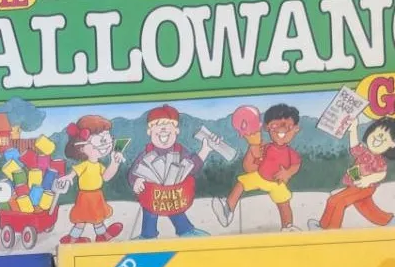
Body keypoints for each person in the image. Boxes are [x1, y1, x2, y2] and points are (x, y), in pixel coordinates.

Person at [214, 104, 302, 231]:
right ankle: (228, 210)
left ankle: (288, 226)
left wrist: (287, 173)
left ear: (296, 129)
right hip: (259, 176)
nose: (281, 130)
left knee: (284, 203)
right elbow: (248, 167)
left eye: (288, 126)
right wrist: (252, 150)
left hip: (276, 182)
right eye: (275, 125)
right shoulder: (265, 147)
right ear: (267, 127)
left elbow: (296, 165)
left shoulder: (290, 153)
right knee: (241, 183)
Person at [127, 105, 211, 238]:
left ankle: (186, 230)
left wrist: (205, 150)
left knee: (176, 209)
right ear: (149, 131)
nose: (163, 128)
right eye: (158, 125)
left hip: (174, 194)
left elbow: (192, 165)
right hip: (152, 195)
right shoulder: (146, 152)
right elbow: (134, 171)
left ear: (176, 131)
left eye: (168, 125)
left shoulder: (180, 150)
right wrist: (137, 181)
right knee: (149, 211)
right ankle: (148, 235)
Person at [310, 116, 395, 229]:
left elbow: (381, 174)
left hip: (365, 187)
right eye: (374, 134)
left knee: (336, 201)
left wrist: (367, 180)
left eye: (383, 137)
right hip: (356, 185)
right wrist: (354, 128)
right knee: (366, 207)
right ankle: (389, 221)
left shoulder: (379, 161)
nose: (377, 138)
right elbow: (354, 147)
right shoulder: (364, 152)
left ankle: (331, 229)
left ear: (393, 144)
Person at [56, 115, 124, 243]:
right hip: (85, 197)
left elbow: (106, 177)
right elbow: (74, 172)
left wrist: (114, 163)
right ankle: (72, 239)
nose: (106, 144)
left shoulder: (99, 165)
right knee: (81, 221)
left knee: (98, 218)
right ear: (81, 147)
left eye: (107, 138)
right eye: (101, 140)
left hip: (97, 196)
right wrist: (69, 177)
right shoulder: (85, 165)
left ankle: (102, 235)